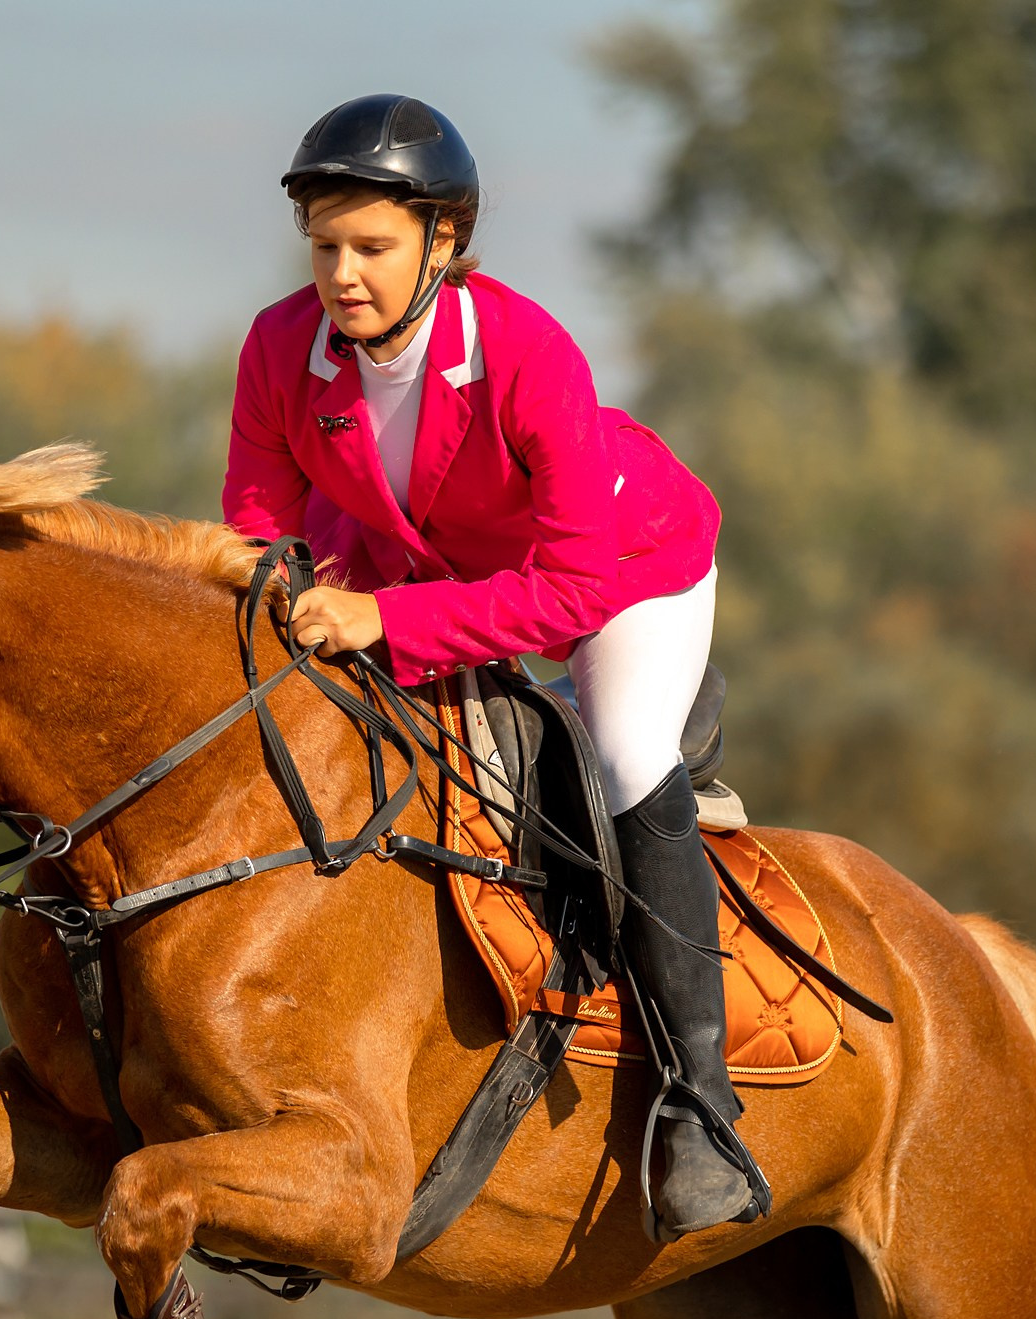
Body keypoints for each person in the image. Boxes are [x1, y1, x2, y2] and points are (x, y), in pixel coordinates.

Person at [222, 93, 757, 1238]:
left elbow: (568, 592)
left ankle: (698, 1111)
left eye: (371, 247)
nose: (342, 275)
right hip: (435, 569)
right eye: (325, 247)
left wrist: (386, 626)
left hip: (625, 571)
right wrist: (308, 605)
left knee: (619, 759)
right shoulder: (279, 348)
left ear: (443, 241)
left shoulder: (524, 351)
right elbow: (261, 543)